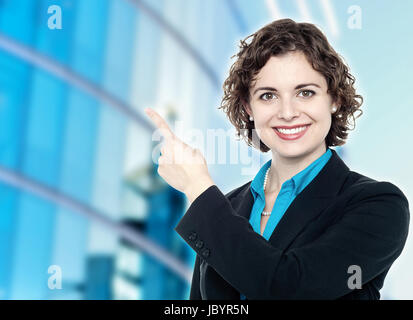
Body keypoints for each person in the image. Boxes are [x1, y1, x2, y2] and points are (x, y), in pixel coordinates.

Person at [144, 19, 410, 300]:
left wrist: (197, 189)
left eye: (305, 93)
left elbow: (289, 288)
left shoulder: (378, 205)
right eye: (268, 95)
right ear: (248, 107)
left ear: (334, 99)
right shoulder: (226, 207)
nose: (287, 112)